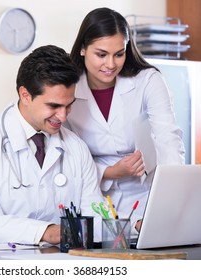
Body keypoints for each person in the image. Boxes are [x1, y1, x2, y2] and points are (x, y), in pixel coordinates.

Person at [0, 45, 105, 245]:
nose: (63, 116)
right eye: (54, 106)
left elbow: (96, 216)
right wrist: (47, 232)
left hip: (52, 262)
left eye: (69, 105)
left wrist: (135, 224)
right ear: (25, 95)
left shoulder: (76, 148)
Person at [66, 8, 185, 234]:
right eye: (101, 54)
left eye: (119, 54)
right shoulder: (68, 88)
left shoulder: (148, 80)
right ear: (82, 48)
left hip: (145, 194)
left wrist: (171, 200)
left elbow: (168, 139)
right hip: (94, 195)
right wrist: (109, 171)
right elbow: (66, 155)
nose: (111, 64)